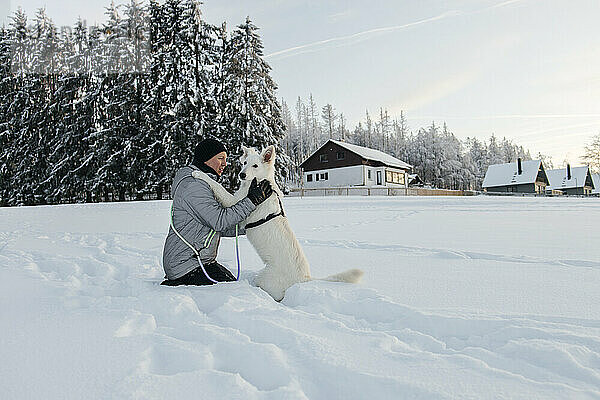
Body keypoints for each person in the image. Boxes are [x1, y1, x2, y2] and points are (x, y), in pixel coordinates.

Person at [161, 138, 273, 286]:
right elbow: (219, 222)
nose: (225, 164)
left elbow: (217, 227)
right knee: (234, 291)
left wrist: (256, 224)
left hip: (199, 260)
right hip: (184, 265)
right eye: (220, 158)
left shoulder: (202, 183)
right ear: (206, 159)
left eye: (225, 159)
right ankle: (176, 284)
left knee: (234, 283)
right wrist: (251, 201)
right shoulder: (193, 186)